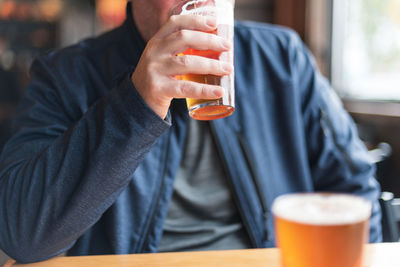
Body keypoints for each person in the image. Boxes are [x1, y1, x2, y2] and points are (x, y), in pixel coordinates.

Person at [0, 0, 381, 263]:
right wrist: (136, 101)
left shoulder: (282, 57)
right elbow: (21, 233)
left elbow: (356, 187)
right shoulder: (66, 75)